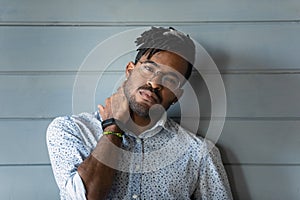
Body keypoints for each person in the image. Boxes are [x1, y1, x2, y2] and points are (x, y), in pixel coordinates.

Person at [47, 26, 233, 200]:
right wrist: (113, 127)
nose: (155, 83)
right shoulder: (71, 130)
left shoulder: (198, 153)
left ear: (177, 95)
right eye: (149, 68)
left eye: (170, 79)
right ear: (129, 70)